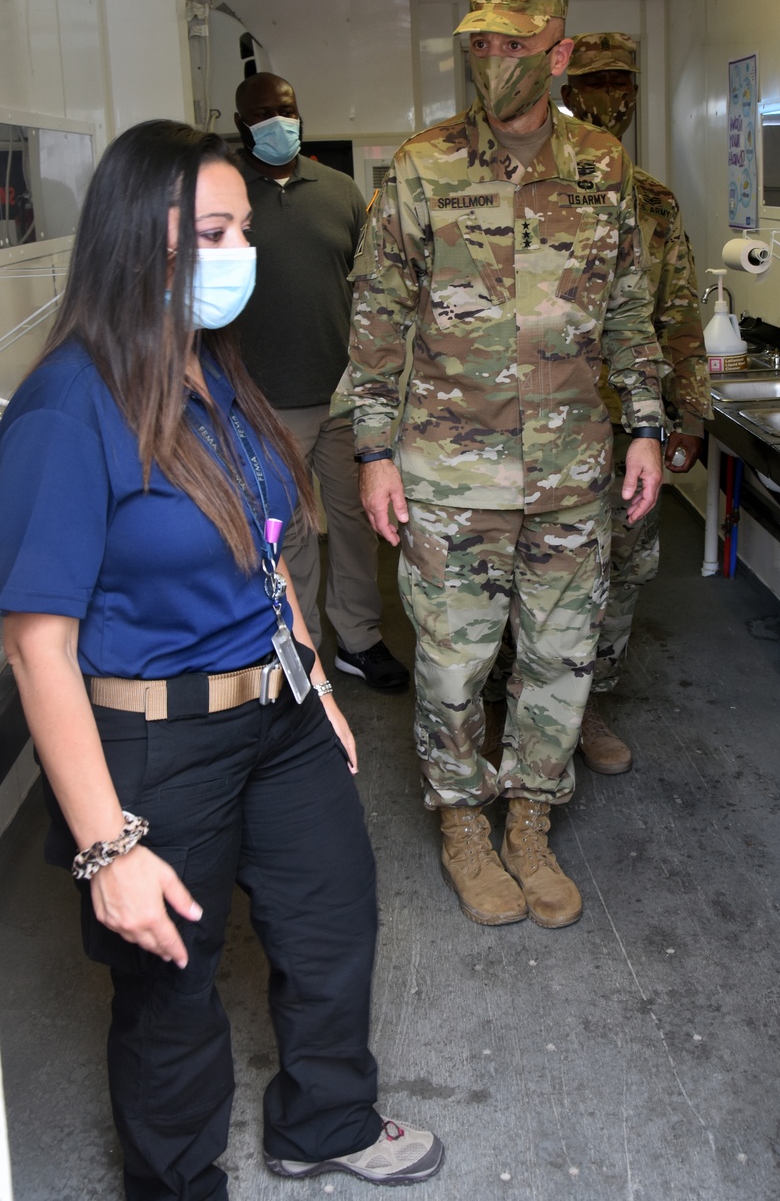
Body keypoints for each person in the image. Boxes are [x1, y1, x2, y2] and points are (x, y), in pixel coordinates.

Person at [0, 121, 442, 1200]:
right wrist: (106, 849)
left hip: (280, 718)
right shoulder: (69, 407)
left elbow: (265, 544)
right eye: (215, 229)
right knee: (170, 992)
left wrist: (315, 680)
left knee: (334, 923)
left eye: (241, 225)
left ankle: (325, 1121)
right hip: (154, 744)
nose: (239, 248)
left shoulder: (214, 377)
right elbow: (33, 644)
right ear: (136, 239)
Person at [341, 0, 665, 932]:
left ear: (558, 52)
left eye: (513, 45)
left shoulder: (603, 167)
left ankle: (530, 818)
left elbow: (629, 315)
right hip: (449, 473)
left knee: (561, 660)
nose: (494, 62)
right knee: (451, 666)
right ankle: (462, 823)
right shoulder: (422, 165)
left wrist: (646, 426)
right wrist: (374, 450)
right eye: (479, 44)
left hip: (570, 472)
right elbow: (378, 315)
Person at [559, 31, 712, 773]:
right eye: (595, 84)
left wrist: (690, 413)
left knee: (624, 569)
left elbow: (678, 315)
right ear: (564, 89)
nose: (610, 100)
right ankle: (519, 702)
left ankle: (587, 705)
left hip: (633, 425)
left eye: (623, 84)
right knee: (542, 568)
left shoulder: (652, 201)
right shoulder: (536, 186)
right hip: (547, 423)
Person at [233, 72, 408, 691]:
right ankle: (299, 646)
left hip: (343, 398)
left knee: (358, 522)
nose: (278, 123)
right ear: (240, 125)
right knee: (288, 530)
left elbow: (373, 293)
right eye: (262, 115)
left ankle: (358, 641)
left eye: (287, 111)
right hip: (260, 404)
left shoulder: (339, 192)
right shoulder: (227, 194)